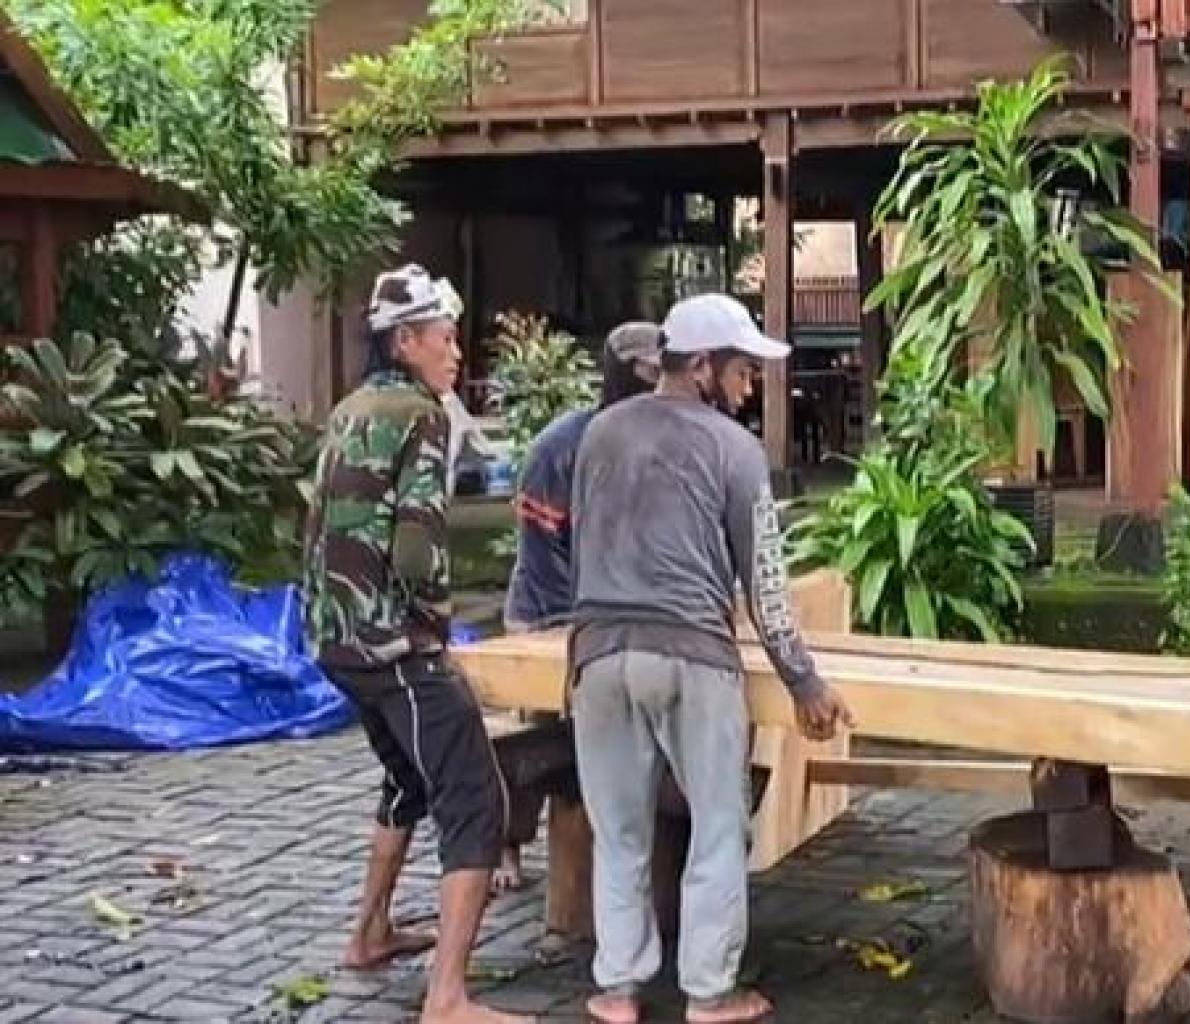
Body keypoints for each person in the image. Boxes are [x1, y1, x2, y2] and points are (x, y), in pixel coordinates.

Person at [568, 293, 855, 1024]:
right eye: (741, 370)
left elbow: (580, 546)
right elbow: (765, 583)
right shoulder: (735, 450)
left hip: (597, 657)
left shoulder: (599, 433)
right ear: (700, 366)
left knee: (619, 831)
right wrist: (803, 680)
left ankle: (617, 989)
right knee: (719, 828)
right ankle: (709, 993)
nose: (749, 386)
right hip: (692, 656)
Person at [304, 263, 532, 1024]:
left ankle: (369, 934)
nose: (456, 352)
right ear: (404, 341)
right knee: (476, 799)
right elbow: (415, 548)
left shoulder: (351, 407)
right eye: (444, 337)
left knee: (407, 778)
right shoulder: (421, 414)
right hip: (391, 645)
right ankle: (448, 997)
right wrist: (433, 627)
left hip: (333, 638)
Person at [494, 322, 663, 894]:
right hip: (548, 611)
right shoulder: (561, 448)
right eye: (650, 372)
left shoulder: (656, 442)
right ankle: (506, 843)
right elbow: (542, 555)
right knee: (534, 735)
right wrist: (562, 634)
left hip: (618, 619)